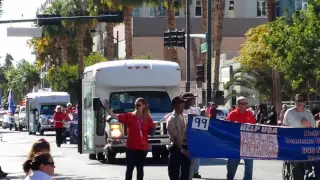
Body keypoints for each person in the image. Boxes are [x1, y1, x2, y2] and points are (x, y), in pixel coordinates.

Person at [103, 97, 154, 180]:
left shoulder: (148, 119)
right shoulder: (130, 116)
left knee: (140, 169)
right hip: (131, 147)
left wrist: (152, 131)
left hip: (142, 147)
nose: (136, 107)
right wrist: (107, 108)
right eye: (135, 105)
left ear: (144, 106)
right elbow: (115, 116)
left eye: (138, 105)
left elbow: (151, 129)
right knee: (130, 168)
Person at [283, 93, 316, 180]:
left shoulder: (308, 114)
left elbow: (314, 131)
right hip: (293, 143)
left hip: (306, 144)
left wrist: (308, 125)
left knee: (308, 165)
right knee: (296, 165)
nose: (298, 103)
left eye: (301, 101)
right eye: (297, 101)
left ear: (304, 102)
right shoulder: (289, 112)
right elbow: (284, 128)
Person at [226, 96, 256, 180]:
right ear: (238, 105)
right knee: (231, 168)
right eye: (243, 104)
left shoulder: (250, 114)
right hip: (235, 145)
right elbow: (225, 127)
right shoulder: (232, 114)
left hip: (248, 145)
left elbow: (255, 128)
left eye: (247, 103)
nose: (246, 105)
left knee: (249, 169)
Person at [167, 96, 190, 180]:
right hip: (176, 147)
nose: (183, 107)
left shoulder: (185, 116)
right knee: (174, 172)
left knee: (186, 171)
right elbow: (175, 137)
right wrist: (182, 150)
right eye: (181, 105)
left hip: (185, 146)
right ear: (175, 106)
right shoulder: (171, 119)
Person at [181, 92, 202, 179]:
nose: (194, 100)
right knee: (184, 162)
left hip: (194, 137)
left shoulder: (196, 110)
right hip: (184, 138)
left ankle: (195, 172)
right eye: (192, 98)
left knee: (195, 157)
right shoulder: (180, 110)